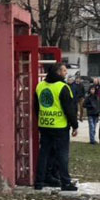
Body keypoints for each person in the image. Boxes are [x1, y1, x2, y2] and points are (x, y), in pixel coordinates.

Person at [34, 63, 78, 191]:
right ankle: (65, 182)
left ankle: (39, 182)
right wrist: (75, 125)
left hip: (44, 124)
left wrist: (42, 118)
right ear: (58, 72)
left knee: (44, 153)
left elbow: (36, 107)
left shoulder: (40, 85)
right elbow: (69, 109)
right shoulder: (63, 87)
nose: (66, 73)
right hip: (60, 126)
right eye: (64, 71)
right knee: (62, 155)